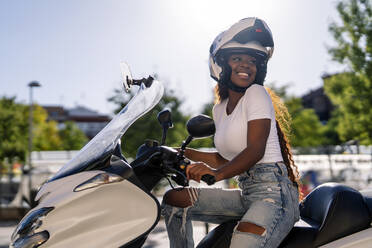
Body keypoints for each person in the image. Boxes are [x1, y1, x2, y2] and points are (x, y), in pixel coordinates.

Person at [161, 17, 300, 248]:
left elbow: (255, 150)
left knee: (242, 242)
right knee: (174, 199)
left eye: (253, 61)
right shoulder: (219, 109)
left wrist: (215, 175)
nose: (246, 64)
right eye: (237, 58)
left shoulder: (256, 93)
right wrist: (178, 152)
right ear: (220, 65)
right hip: (247, 193)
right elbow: (225, 158)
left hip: (274, 195)